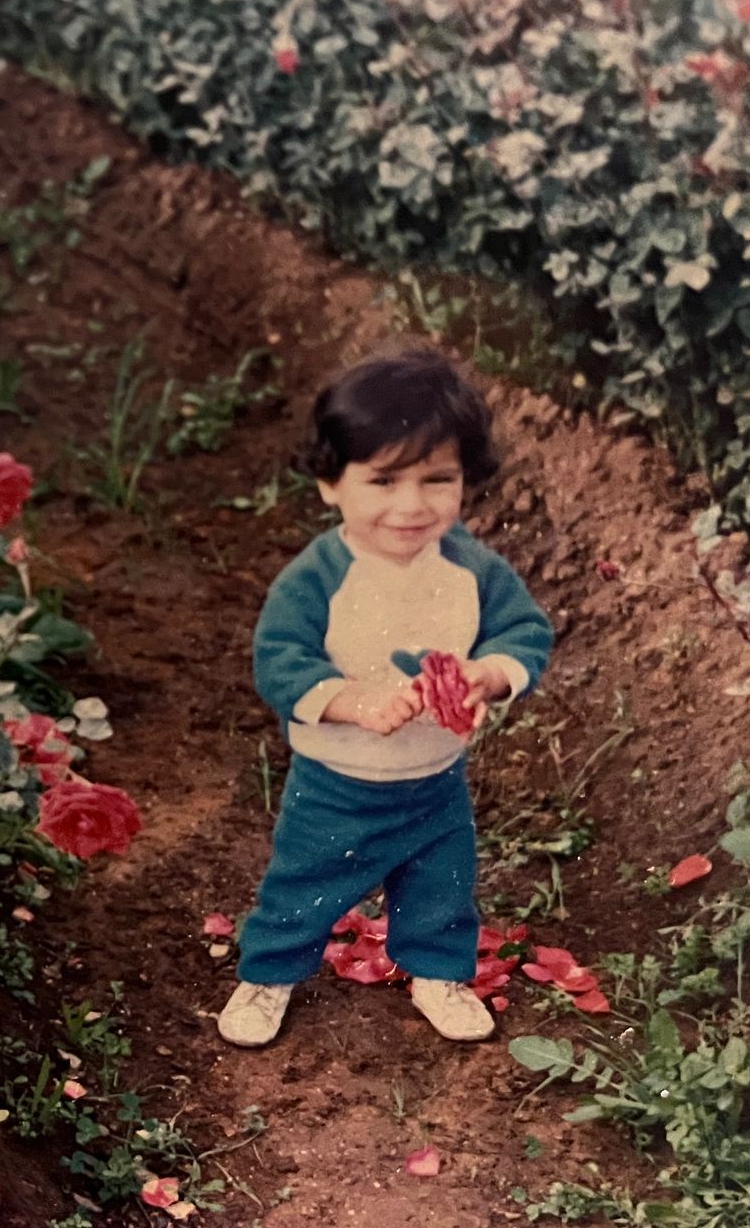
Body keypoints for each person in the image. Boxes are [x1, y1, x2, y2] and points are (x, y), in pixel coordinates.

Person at [218, 348, 553, 1048]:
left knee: (442, 885)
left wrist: (486, 676)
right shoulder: (318, 579)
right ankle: (269, 975)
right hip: (337, 782)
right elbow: (279, 661)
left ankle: (439, 972)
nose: (412, 505)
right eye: (384, 480)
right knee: (303, 885)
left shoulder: (473, 570)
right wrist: (352, 701)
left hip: (435, 780)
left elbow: (525, 632)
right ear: (330, 486)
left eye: (438, 479)